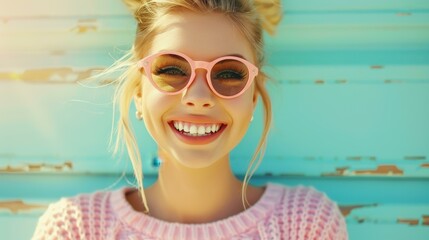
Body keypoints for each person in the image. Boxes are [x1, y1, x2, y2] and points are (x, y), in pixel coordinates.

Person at [32, 0, 348, 239]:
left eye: (227, 73)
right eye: (171, 70)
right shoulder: (76, 229)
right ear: (139, 91)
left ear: (254, 95)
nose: (198, 96)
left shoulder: (304, 224)